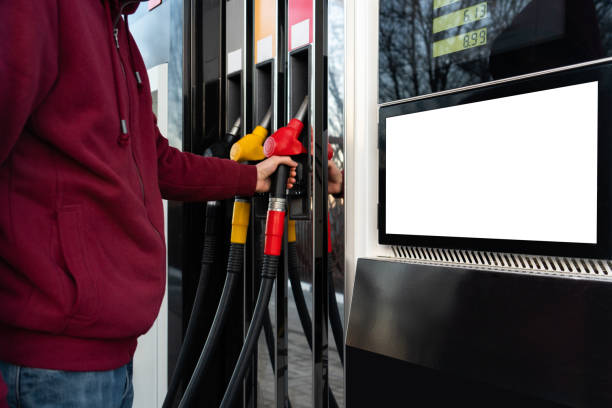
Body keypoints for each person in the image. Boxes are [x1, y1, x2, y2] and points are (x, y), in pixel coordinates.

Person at [0, 1, 301, 407]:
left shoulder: (120, 32)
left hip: (110, 360)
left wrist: (251, 177)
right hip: (48, 367)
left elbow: (157, 161)